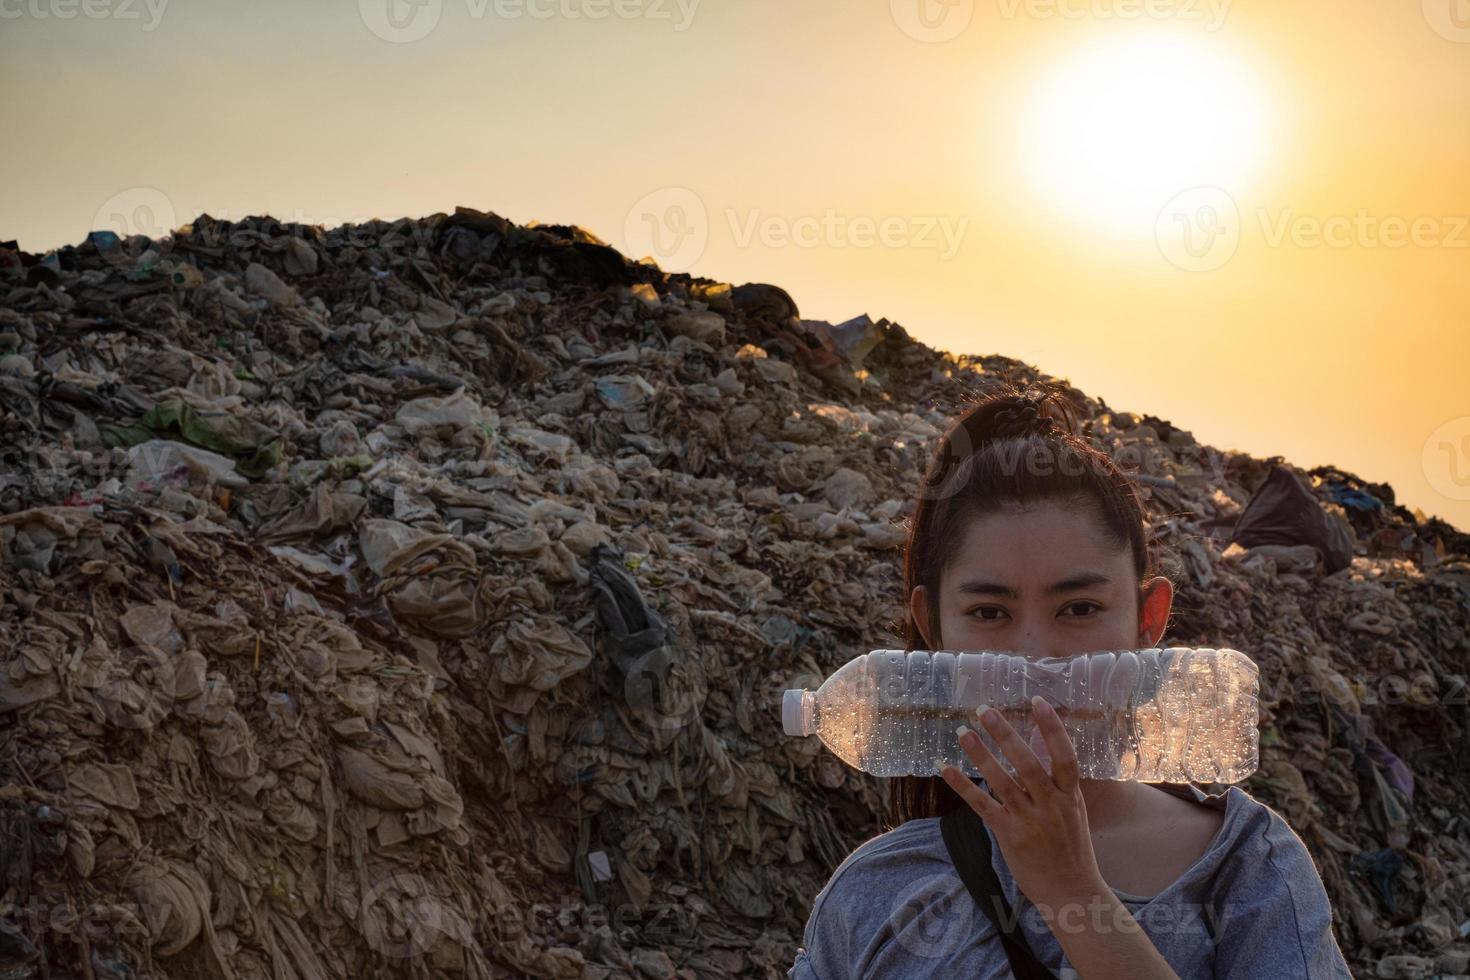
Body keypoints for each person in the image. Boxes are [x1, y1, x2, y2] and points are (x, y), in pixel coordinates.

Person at [787, 385, 1354, 979]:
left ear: (1148, 619)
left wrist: (1072, 893)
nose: (1036, 657)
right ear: (934, 632)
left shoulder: (1250, 871)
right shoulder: (875, 893)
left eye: (1079, 608)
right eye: (988, 613)